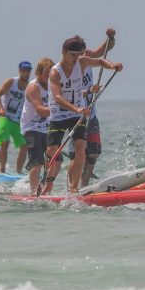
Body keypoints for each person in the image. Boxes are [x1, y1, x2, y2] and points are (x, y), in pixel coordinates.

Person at [44, 36, 123, 194]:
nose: (76, 58)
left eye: (78, 54)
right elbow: (58, 98)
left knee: (81, 148)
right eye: (73, 54)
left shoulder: (81, 62)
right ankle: (48, 184)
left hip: (77, 115)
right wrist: (77, 109)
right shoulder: (55, 72)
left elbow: (100, 61)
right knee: (52, 151)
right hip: (59, 116)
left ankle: (74, 187)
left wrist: (113, 66)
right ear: (64, 52)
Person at [73, 28, 117, 186]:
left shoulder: (88, 56)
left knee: (93, 153)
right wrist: (88, 91)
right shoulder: (68, 67)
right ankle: (72, 186)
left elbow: (105, 50)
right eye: (78, 53)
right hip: (75, 116)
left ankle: (84, 187)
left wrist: (111, 37)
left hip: (91, 114)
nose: (81, 56)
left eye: (83, 52)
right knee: (78, 155)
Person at [19, 58, 57, 194]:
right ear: (39, 73)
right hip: (31, 128)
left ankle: (45, 189)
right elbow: (40, 110)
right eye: (47, 74)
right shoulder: (33, 86)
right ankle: (34, 192)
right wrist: (64, 108)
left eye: (51, 74)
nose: (49, 77)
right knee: (38, 162)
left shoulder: (53, 85)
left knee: (56, 160)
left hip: (46, 128)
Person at [0, 62, 31, 173]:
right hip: (6, 117)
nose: (26, 73)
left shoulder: (31, 87)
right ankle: (2, 170)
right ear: (20, 71)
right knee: (5, 142)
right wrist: (0, 108)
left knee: (25, 146)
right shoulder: (11, 82)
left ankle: (18, 172)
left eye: (28, 71)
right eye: (24, 71)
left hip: (18, 121)